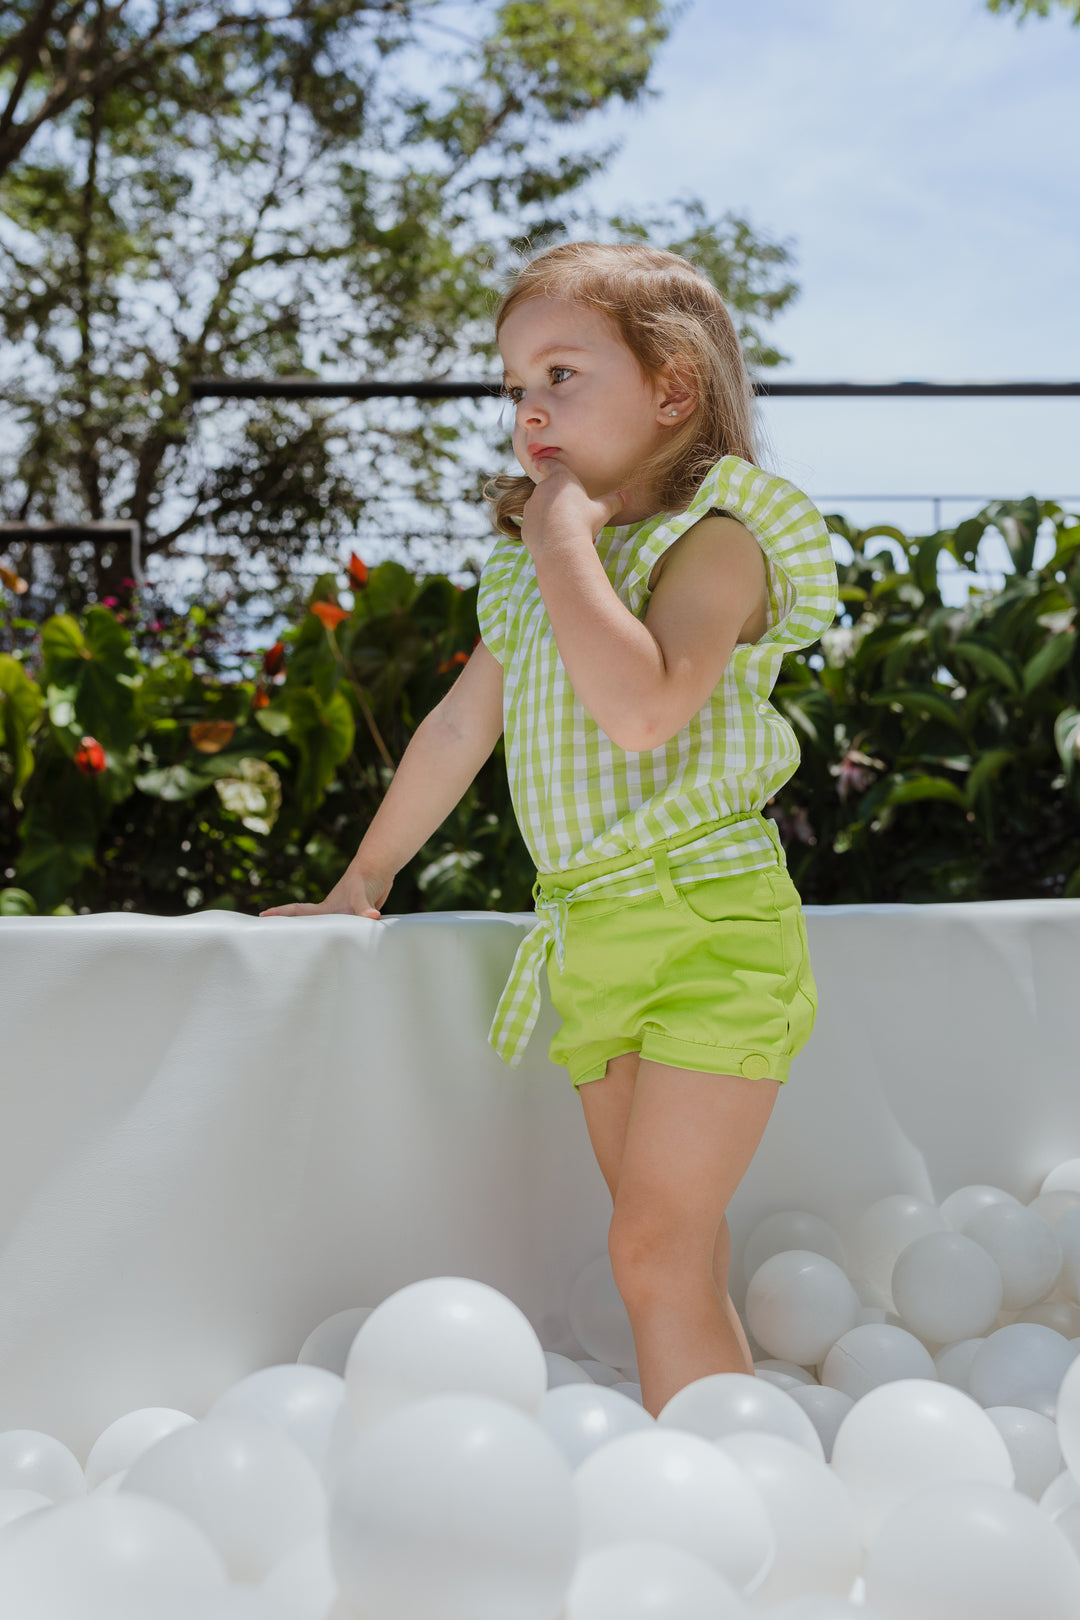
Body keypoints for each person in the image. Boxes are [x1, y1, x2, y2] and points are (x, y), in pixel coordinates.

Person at [261, 241, 838, 1418]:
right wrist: (361, 881)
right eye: (515, 387)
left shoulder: (718, 537)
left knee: (649, 1248)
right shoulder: (527, 578)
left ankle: (720, 1488)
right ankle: (733, 1453)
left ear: (673, 389)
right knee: (670, 1246)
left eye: (561, 375)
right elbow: (457, 731)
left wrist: (561, 535)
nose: (529, 410)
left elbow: (642, 710)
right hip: (592, 940)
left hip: (710, 931)